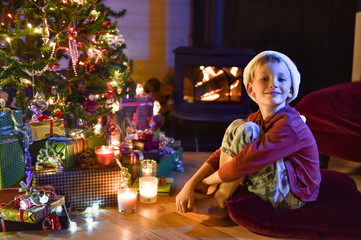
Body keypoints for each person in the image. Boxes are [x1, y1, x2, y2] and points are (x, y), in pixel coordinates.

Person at [176, 50, 321, 216]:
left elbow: (248, 160)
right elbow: (222, 152)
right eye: (264, 79)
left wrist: (206, 182)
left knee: (247, 130)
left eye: (281, 79)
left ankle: (220, 199)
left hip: (294, 195)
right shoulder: (256, 118)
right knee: (238, 125)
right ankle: (219, 193)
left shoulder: (290, 124)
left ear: (290, 90)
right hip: (273, 179)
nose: (273, 84)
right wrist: (192, 182)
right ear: (251, 90)